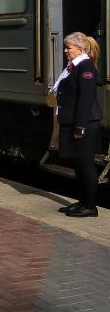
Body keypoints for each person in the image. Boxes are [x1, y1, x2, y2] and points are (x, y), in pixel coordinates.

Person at [53, 32, 102, 217]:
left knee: (86, 164)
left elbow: (86, 99)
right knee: (78, 164)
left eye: (69, 47)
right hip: (75, 121)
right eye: (66, 47)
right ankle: (82, 202)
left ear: (80, 49)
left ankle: (90, 207)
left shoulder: (86, 66)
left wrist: (80, 126)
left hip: (85, 123)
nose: (65, 50)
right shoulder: (73, 67)